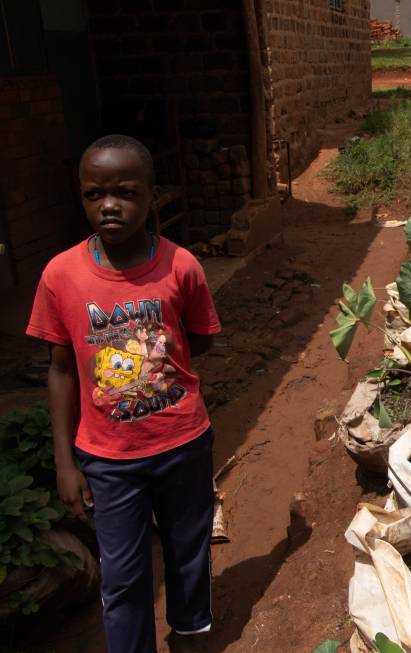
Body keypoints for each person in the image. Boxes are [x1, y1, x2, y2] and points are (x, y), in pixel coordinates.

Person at [27, 134, 222, 652]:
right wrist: (64, 462)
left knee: (188, 549)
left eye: (126, 192)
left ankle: (190, 631)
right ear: (82, 196)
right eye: (95, 194)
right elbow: (62, 370)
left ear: (151, 195)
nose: (109, 205)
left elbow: (197, 340)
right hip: (109, 460)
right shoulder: (60, 275)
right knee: (124, 573)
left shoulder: (181, 266)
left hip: (181, 441)